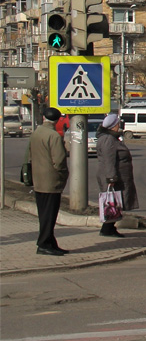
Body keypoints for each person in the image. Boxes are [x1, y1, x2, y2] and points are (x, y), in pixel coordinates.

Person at [29, 107, 70, 255]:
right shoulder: (54, 136)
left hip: (38, 179)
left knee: (44, 213)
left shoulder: (36, 133)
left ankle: (51, 242)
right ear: (57, 120)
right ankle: (44, 244)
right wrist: (64, 174)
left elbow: (29, 155)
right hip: (51, 181)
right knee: (50, 214)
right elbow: (59, 161)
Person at [95, 113, 139, 238]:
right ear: (113, 126)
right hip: (113, 176)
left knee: (116, 202)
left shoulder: (110, 138)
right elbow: (109, 160)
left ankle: (109, 227)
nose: (120, 126)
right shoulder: (108, 139)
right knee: (113, 202)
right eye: (118, 124)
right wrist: (111, 177)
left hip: (116, 175)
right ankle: (107, 228)